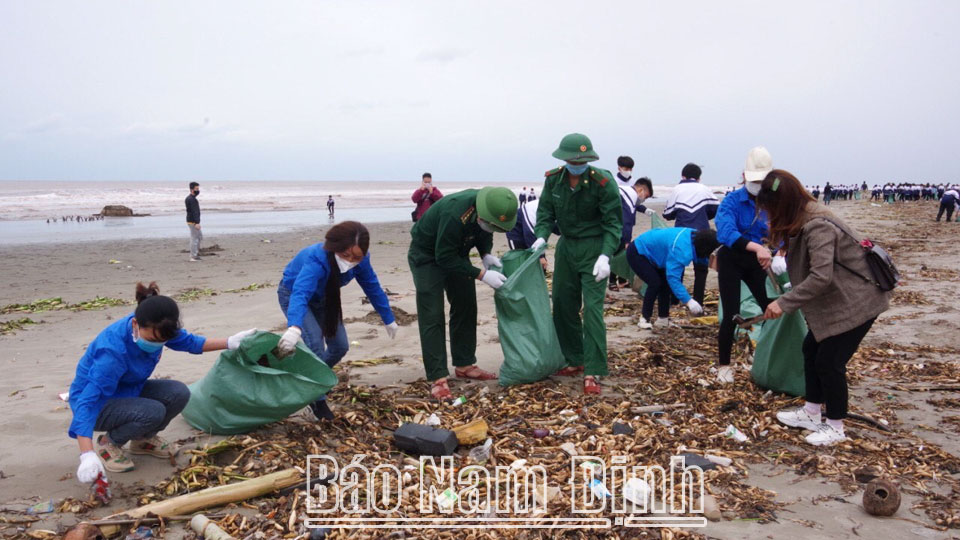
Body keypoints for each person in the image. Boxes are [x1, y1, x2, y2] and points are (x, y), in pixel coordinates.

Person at [69, 282, 255, 484]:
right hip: (99, 406)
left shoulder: (159, 329)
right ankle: (108, 443)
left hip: (129, 390)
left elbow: (191, 343)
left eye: (162, 341)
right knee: (152, 411)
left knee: (179, 392)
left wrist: (230, 342)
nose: (156, 345)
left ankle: (142, 440)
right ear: (135, 325)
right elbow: (88, 402)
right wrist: (86, 455)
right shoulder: (112, 353)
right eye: (152, 339)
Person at [758, 170, 890, 446]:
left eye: (772, 209)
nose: (771, 216)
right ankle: (811, 412)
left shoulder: (818, 224)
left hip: (857, 302)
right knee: (811, 350)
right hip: (837, 301)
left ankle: (836, 427)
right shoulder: (803, 216)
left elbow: (821, 276)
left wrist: (784, 303)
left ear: (784, 204)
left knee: (830, 362)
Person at [277, 221, 398, 420]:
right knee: (314, 342)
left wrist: (388, 318)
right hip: (294, 295)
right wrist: (294, 327)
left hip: (326, 299)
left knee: (340, 346)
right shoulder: (316, 259)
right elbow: (300, 293)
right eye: (345, 255)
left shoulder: (361, 260)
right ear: (335, 248)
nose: (350, 261)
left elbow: (372, 287)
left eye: (356, 257)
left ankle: (310, 380)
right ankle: (317, 400)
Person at [530, 133, 622, 395]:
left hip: (595, 247)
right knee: (562, 304)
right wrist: (540, 237)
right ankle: (575, 358)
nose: (577, 163)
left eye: (583, 160)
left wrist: (606, 255)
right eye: (573, 159)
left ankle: (593, 369)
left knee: (593, 310)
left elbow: (613, 223)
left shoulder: (602, 182)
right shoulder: (553, 179)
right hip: (567, 247)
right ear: (564, 158)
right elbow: (545, 213)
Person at [408, 187, 518, 400]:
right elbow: (443, 257)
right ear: (481, 212)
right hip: (427, 255)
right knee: (432, 313)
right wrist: (481, 274)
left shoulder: (489, 209)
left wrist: (485, 253)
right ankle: (438, 376)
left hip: (457, 251)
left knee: (466, 304)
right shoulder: (455, 213)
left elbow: (486, 231)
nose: (491, 226)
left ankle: (465, 363)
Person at [714, 146, 775, 384]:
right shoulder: (732, 201)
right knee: (730, 313)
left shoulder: (772, 203)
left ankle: (767, 355)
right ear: (744, 177)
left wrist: (776, 250)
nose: (758, 185)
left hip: (758, 262)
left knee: (769, 307)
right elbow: (726, 232)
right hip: (732, 258)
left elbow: (781, 231)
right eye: (754, 180)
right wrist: (757, 247)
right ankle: (724, 366)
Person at [627, 228, 720, 329]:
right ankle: (644, 318)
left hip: (657, 255)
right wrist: (688, 301)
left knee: (665, 285)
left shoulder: (696, 238)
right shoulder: (681, 250)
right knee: (655, 283)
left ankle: (663, 319)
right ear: (706, 247)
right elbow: (673, 279)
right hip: (638, 251)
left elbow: (703, 259)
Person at [662, 163, 719, 305]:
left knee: (678, 267)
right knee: (701, 270)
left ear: (683, 176)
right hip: (702, 234)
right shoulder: (705, 189)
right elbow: (717, 209)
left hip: (681, 234)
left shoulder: (677, 190)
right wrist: (704, 215)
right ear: (699, 178)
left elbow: (667, 214)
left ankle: (675, 299)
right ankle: (698, 300)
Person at [611, 174, 654, 290]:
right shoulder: (630, 196)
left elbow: (636, 206)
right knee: (617, 251)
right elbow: (627, 221)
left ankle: (616, 281)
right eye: (645, 196)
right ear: (640, 190)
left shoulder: (623, 191)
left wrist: (644, 209)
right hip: (613, 228)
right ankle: (612, 282)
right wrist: (627, 240)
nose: (644, 199)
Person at [185, 182, 202, 262]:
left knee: (199, 237)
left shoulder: (193, 199)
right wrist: (196, 222)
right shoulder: (190, 199)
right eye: (196, 189)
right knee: (194, 238)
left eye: (198, 189)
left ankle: (196, 254)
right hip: (192, 222)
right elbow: (193, 212)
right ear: (192, 190)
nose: (198, 190)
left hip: (193, 221)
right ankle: (193, 256)